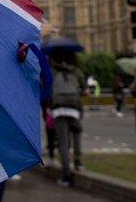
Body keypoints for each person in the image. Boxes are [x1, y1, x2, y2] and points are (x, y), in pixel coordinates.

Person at [49, 50, 85, 187]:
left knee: (63, 143)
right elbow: (80, 90)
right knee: (77, 131)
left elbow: (49, 91)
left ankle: (66, 175)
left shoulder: (53, 73)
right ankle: (78, 161)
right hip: (73, 108)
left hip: (59, 109)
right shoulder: (75, 73)